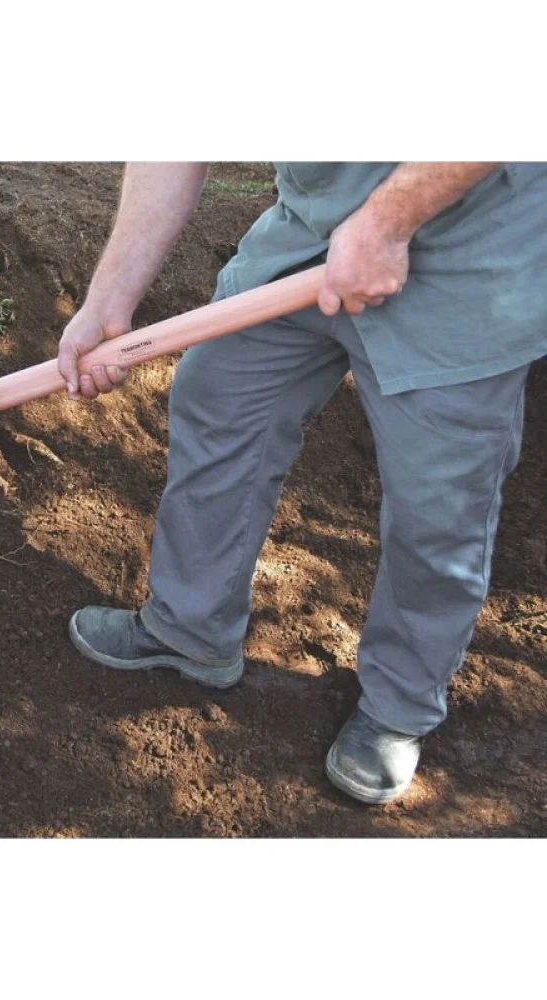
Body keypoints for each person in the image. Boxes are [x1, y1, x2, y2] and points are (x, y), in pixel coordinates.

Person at [58, 163, 547, 805]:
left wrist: (386, 222)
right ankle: (190, 627)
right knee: (220, 396)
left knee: (438, 503)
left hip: (471, 264)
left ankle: (398, 707)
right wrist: (107, 301)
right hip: (307, 240)